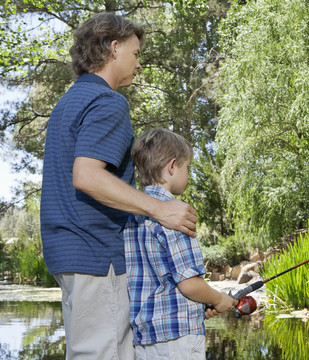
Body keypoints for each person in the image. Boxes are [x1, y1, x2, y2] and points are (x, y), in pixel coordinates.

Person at [40, 13, 197, 359]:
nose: (138, 64)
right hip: (96, 253)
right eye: (136, 53)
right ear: (114, 48)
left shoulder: (67, 102)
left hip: (68, 254)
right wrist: (160, 208)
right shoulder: (108, 101)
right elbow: (87, 176)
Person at [124, 128, 237, 360]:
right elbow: (189, 284)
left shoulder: (131, 215)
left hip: (145, 337)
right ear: (172, 166)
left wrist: (199, 306)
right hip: (178, 339)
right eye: (187, 167)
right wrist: (219, 299)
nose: (188, 174)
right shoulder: (176, 215)